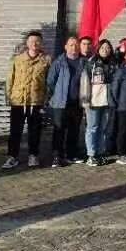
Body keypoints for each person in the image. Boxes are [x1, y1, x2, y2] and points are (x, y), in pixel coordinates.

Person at [2, 31, 51, 169]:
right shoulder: (17, 59)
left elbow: (49, 82)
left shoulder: (46, 60)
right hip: (18, 101)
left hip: (36, 101)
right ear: (27, 43)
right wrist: (8, 96)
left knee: (35, 131)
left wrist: (46, 99)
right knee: (15, 131)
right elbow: (10, 79)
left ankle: (33, 156)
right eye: (31, 41)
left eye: (37, 41)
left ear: (41, 43)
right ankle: (12, 157)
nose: (34, 44)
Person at [46, 36, 86, 167]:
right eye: (71, 45)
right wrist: (56, 95)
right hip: (60, 103)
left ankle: (71, 154)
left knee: (74, 130)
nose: (74, 47)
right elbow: (50, 82)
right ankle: (57, 156)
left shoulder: (83, 62)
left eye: (76, 45)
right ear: (66, 47)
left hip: (77, 103)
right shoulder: (59, 62)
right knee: (59, 130)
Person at [80, 39, 116, 166]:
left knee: (103, 129)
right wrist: (85, 100)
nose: (105, 50)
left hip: (107, 101)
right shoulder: (92, 63)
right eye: (103, 48)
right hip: (93, 101)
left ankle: (101, 152)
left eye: (108, 48)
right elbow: (85, 82)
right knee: (92, 128)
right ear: (98, 49)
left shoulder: (113, 64)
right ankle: (91, 154)